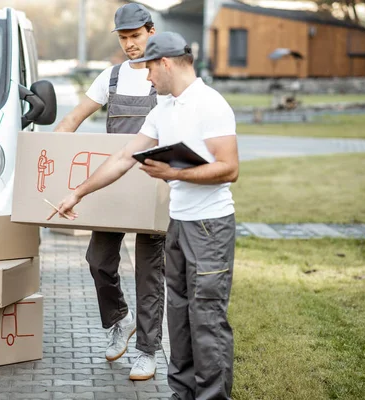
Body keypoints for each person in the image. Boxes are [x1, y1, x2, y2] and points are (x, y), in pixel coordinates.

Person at [49, 32, 239, 400]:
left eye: (150, 69)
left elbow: (229, 169)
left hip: (210, 228)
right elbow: (123, 158)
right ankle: (182, 393)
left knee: (207, 321)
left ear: (165, 63)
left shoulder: (210, 105)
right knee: (180, 319)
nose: (147, 78)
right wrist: (77, 192)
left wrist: (175, 174)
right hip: (178, 224)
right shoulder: (163, 110)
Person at [54, 3, 165, 381]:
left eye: (136, 36)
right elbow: (72, 119)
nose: (130, 45)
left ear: (151, 31)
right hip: (113, 184)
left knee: (150, 274)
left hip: (153, 187)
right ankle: (120, 318)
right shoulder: (112, 77)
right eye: (124, 38)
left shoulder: (164, 76)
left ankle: (148, 351)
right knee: (99, 261)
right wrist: (48, 156)